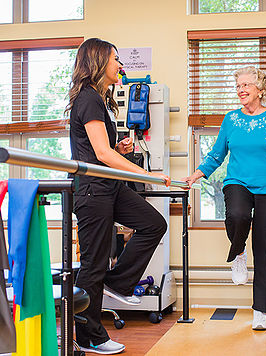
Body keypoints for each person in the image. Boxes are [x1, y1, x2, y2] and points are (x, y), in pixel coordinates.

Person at [182, 66, 266, 331]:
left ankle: (260, 311)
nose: (241, 90)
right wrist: (196, 174)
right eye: (238, 86)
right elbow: (216, 155)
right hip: (238, 181)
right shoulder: (231, 119)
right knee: (237, 215)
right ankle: (239, 251)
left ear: (261, 90)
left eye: (246, 85)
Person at [66, 38, 171, 355]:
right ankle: (89, 336)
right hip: (92, 189)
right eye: (115, 59)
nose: (120, 65)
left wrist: (119, 149)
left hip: (109, 185)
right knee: (93, 265)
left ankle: (119, 282)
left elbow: (103, 150)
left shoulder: (101, 100)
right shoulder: (88, 99)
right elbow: (99, 152)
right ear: (98, 62)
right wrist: (145, 174)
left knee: (153, 223)